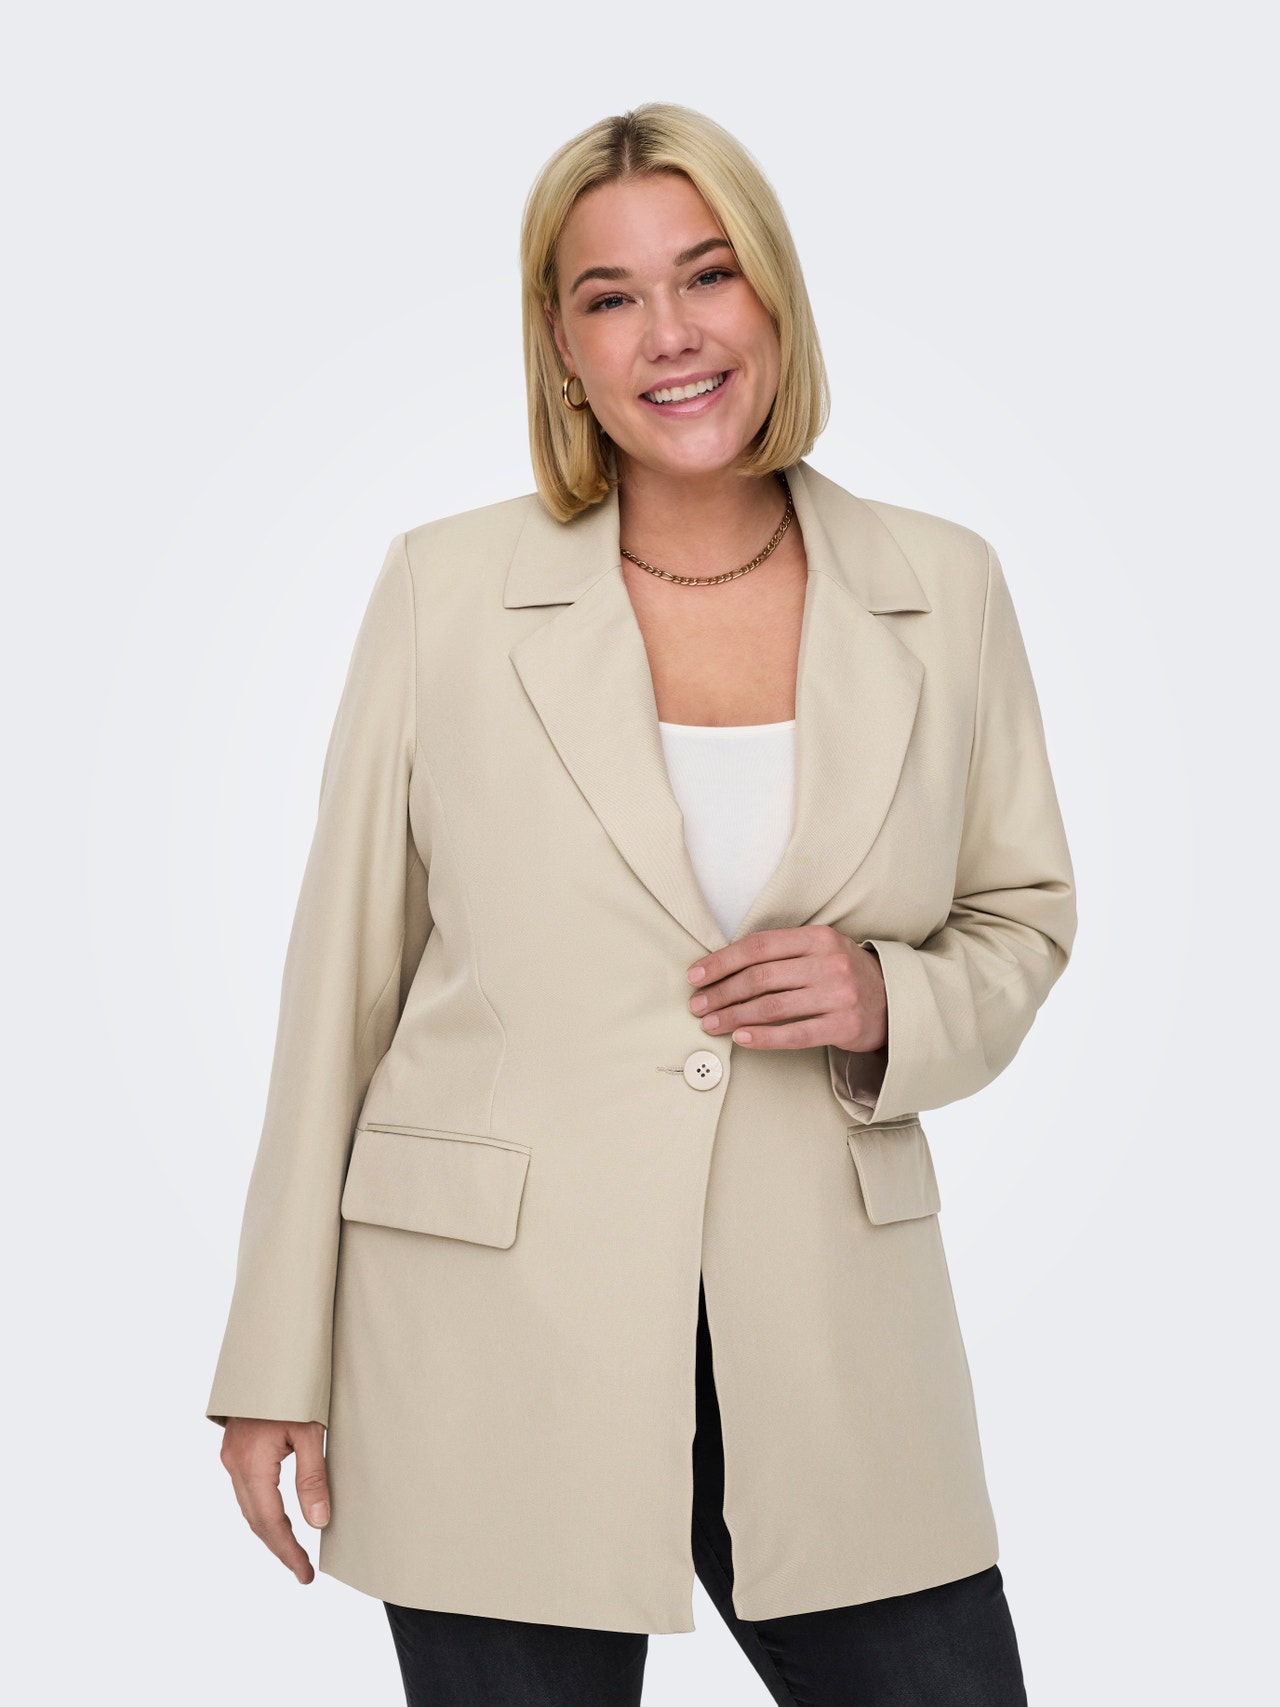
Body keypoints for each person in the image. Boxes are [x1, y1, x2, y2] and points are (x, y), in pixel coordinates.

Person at [208, 103, 1076, 1706]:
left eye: (708, 275)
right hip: (486, 1336)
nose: (669, 334)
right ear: (562, 345)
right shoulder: (445, 591)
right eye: (609, 297)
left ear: (775, 295)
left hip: (831, 1333)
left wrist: (888, 998)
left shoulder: (943, 587)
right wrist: (273, 1359)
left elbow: (1022, 913)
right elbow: (341, 985)